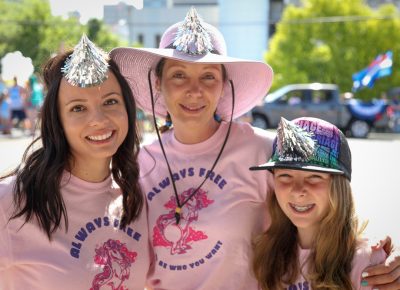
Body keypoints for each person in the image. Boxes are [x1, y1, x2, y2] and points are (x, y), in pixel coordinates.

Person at [110, 8, 400, 289]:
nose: (194, 90)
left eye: (208, 76)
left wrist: (376, 260)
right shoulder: (138, 164)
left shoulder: (263, 150)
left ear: (224, 84)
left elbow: (327, 209)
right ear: (158, 83)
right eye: (179, 75)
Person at [0, 35, 150, 289]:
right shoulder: (12, 202)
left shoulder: (136, 198)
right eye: (78, 108)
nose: (99, 119)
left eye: (110, 101)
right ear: (57, 121)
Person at [251, 117, 387, 289]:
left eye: (314, 177)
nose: (298, 190)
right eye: (285, 176)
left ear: (339, 186)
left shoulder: (367, 262)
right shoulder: (268, 255)